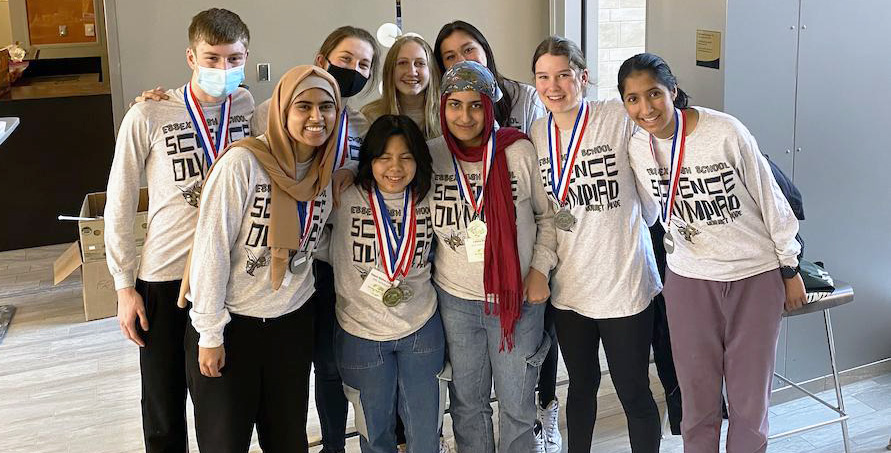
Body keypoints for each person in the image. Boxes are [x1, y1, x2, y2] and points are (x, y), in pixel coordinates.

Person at [618, 52, 806, 453]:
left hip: (753, 277)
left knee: (749, 401)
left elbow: (773, 203)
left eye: (654, 94)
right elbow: (650, 211)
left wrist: (790, 268)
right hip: (689, 280)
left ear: (673, 90)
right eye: (632, 99)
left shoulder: (724, 132)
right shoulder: (637, 147)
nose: (645, 108)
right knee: (697, 400)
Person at [103, 8, 253, 452]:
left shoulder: (248, 108)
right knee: (164, 404)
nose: (222, 69)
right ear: (190, 56)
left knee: (219, 399)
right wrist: (123, 286)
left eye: (233, 58)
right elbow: (120, 202)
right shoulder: (146, 116)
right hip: (163, 278)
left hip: (228, 278)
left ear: (246, 57)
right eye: (211, 58)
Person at [180, 65, 340, 452]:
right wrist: (210, 334)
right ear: (282, 111)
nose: (317, 118)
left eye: (326, 106)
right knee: (225, 442)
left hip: (292, 323)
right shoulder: (243, 164)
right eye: (303, 106)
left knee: (287, 440)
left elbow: (318, 241)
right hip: (234, 326)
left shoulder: (325, 170)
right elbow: (211, 250)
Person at [529, 36, 662, 453]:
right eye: (543, 77)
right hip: (571, 288)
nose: (554, 86)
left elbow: (655, 172)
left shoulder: (615, 117)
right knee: (581, 388)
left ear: (583, 78)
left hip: (625, 284)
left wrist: (639, 221)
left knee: (633, 392)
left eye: (564, 75)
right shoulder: (536, 133)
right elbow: (547, 214)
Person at [433, 22, 560, 450]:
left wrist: (540, 269)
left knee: (517, 406)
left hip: (516, 299)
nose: (465, 116)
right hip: (457, 300)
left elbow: (548, 217)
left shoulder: (517, 150)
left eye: (475, 105)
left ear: (490, 107)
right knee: (467, 405)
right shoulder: (431, 156)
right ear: (442, 107)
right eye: (455, 105)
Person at [319, 114, 444, 453]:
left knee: (425, 431)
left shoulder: (427, 197)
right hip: (361, 334)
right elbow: (310, 232)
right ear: (369, 159)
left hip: (421, 328)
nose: (395, 167)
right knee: (374, 434)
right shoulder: (344, 195)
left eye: (406, 157)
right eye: (384, 157)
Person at [361, 35, 441, 139]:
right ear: (390, 71)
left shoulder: (448, 114)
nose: (412, 72)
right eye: (402, 63)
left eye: (420, 63)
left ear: (431, 70)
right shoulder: (370, 116)